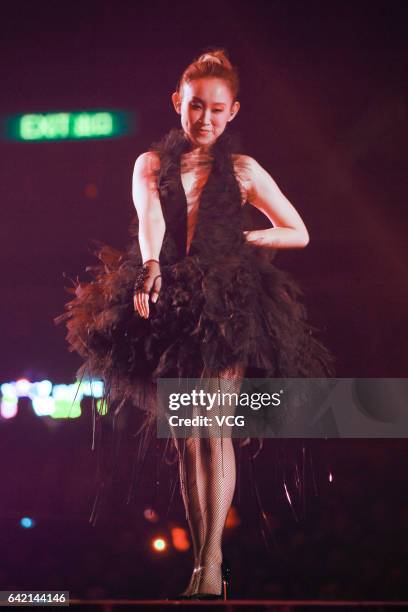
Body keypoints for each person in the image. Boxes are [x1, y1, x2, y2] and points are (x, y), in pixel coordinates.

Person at [55, 49, 334, 600]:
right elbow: (150, 220)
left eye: (216, 109)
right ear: (177, 104)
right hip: (169, 303)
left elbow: (296, 230)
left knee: (214, 428)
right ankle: (201, 568)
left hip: (228, 305)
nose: (204, 118)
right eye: (195, 106)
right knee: (186, 436)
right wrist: (153, 266)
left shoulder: (244, 169)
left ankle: (212, 565)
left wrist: (244, 241)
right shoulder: (150, 164)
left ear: (233, 112)